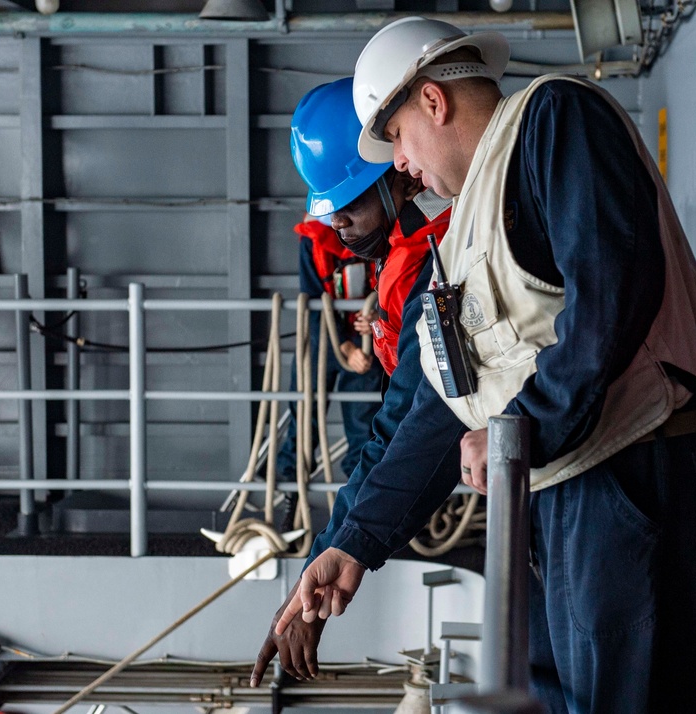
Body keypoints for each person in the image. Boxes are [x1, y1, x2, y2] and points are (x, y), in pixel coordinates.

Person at [270, 18, 696, 713]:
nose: (399, 165)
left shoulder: (554, 122)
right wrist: (352, 544)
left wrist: (522, 428)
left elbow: (611, 294)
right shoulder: (463, 233)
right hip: (567, 492)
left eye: (397, 138)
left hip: (632, 477)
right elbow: (442, 408)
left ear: (434, 101)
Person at [253, 76, 453, 685]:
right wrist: (330, 553)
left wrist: (349, 547)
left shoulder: (444, 258)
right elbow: (396, 428)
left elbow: (425, 423)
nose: (338, 223)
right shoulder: (408, 253)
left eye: (348, 204)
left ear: (397, 170)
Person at [273, 210, 383, 531]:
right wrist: (344, 348)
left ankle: (359, 513)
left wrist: (374, 317)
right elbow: (310, 297)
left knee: (364, 427)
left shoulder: (378, 233)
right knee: (303, 421)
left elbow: (389, 284)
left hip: (366, 347)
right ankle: (292, 506)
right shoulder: (312, 239)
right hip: (322, 343)